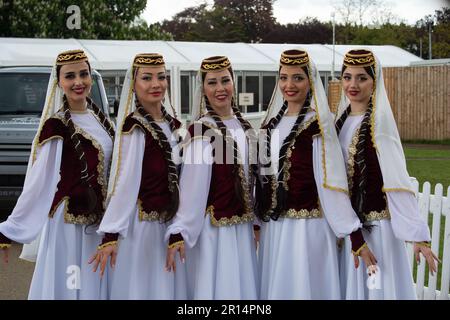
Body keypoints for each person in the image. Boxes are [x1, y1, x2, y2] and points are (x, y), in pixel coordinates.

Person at [257, 49, 377, 300]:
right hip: (275, 231)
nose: (289, 85)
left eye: (298, 78)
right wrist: (258, 222)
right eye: (284, 77)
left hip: (307, 229)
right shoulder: (269, 126)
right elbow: (262, 180)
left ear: (310, 80)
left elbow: (332, 184)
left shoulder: (320, 126)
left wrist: (354, 234)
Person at [0, 49, 115, 299]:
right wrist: (10, 229)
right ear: (59, 82)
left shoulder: (101, 120)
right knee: (72, 285)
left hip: (99, 224)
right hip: (70, 226)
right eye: (70, 76)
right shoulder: (56, 126)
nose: (78, 82)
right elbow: (39, 183)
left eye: (84, 74)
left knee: (94, 285)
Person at [335, 49, 439, 299]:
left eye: (362, 78)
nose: (353, 84)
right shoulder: (340, 122)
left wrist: (419, 237)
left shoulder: (379, 125)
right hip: (351, 230)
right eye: (347, 77)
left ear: (375, 81)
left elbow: (398, 182)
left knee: (375, 288)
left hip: (377, 231)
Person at [89, 53, 187, 299]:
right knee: (142, 289)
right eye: (147, 78)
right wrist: (111, 233)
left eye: (161, 77)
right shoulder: (134, 128)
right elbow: (126, 183)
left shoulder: (175, 125)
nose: (156, 84)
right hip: (141, 228)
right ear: (134, 84)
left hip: (170, 225)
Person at [165, 56, 259, 299]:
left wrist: (257, 220)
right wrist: (180, 229)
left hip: (243, 228)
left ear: (234, 82)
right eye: (212, 83)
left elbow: (253, 179)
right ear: (203, 89)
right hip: (216, 231)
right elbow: (193, 186)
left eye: (225, 81)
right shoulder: (201, 130)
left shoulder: (245, 127)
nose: (220, 89)